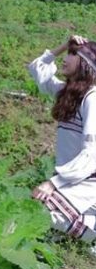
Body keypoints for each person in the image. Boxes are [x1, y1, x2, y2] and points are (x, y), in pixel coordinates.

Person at [29, 35, 96, 253]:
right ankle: (79, 226)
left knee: (41, 212)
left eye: (74, 54)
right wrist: (62, 47)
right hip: (72, 179)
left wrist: (54, 184)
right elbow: (36, 68)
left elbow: (92, 154)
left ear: (86, 65)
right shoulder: (68, 94)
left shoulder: (92, 98)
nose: (66, 58)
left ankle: (89, 232)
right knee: (34, 209)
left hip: (89, 181)